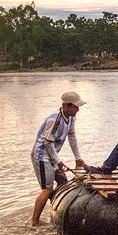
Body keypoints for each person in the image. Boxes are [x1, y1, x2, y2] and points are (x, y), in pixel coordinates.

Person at [29, 91, 87, 226]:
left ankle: (54, 209)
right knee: (46, 189)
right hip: (41, 156)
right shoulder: (55, 119)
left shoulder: (71, 118)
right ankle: (34, 221)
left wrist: (78, 157)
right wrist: (59, 162)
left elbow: (72, 137)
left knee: (63, 181)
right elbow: (48, 143)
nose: (78, 110)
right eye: (75, 107)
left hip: (51, 155)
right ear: (66, 106)